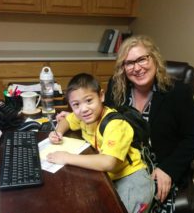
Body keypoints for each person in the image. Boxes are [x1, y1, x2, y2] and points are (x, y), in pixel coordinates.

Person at [104, 35, 194, 206]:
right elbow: (106, 119)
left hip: (159, 167)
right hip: (120, 161)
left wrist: (169, 169)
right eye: (129, 63)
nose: (137, 68)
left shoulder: (177, 92)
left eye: (142, 59)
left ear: (155, 59)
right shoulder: (116, 88)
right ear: (123, 68)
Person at [47, 73, 154, 213]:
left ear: (101, 96)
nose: (84, 109)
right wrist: (58, 132)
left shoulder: (115, 124)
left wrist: (66, 157)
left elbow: (108, 162)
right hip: (108, 176)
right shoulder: (83, 116)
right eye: (76, 105)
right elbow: (67, 120)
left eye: (89, 100)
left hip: (132, 178)